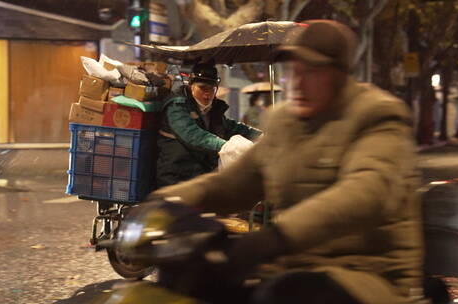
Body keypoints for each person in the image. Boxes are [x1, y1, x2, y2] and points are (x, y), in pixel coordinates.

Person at [151, 20, 423, 304]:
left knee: (280, 295)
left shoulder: (378, 115)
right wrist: (164, 202)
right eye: (294, 70)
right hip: (296, 265)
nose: (298, 81)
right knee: (195, 279)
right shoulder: (284, 121)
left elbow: (365, 192)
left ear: (340, 75)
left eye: (312, 72)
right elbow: (235, 184)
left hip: (364, 276)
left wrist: (276, 237)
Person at [156, 62, 262, 187]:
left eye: (212, 88)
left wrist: (261, 135)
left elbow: (230, 126)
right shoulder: (177, 105)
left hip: (200, 176)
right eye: (202, 88)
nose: (207, 93)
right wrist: (225, 146)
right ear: (191, 86)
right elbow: (192, 135)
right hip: (176, 178)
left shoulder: (212, 108)